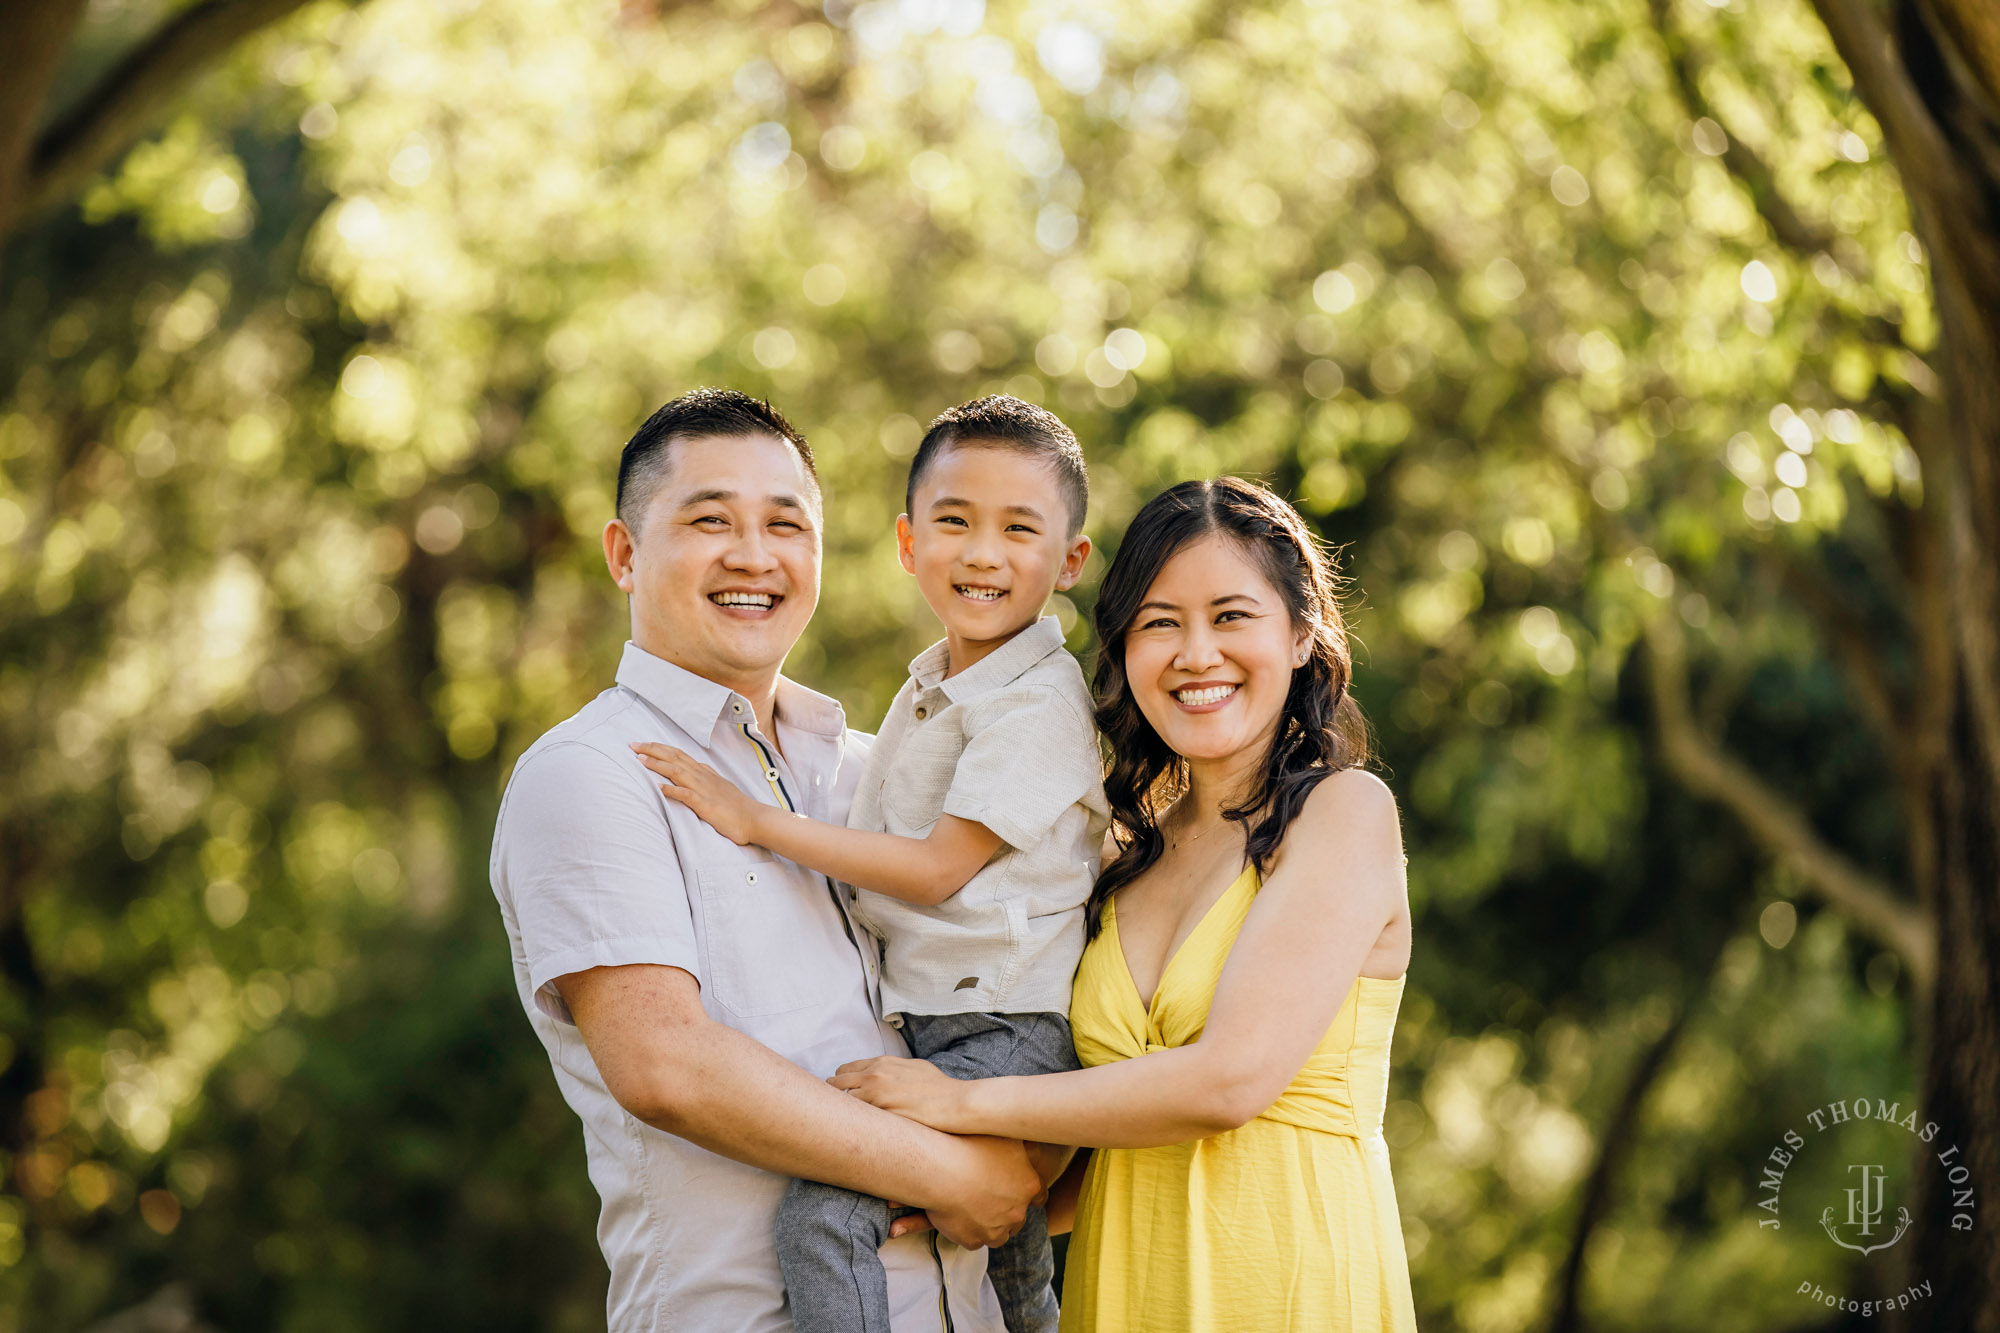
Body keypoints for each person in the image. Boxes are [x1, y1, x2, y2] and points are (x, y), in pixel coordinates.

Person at [487, 388, 1046, 1333]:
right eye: (711, 521)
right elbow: (667, 1063)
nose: (754, 555)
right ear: (624, 554)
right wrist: (956, 1172)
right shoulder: (587, 776)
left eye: (785, 525)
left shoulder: (883, 773)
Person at [830, 477, 1419, 1332]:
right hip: (1123, 1287)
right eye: (1160, 622)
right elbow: (1108, 1136)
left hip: (1288, 1279)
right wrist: (966, 1182)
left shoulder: (1344, 813)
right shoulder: (1117, 852)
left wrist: (957, 1104)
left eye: (1231, 615)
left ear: (1299, 635)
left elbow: (1225, 1083)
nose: (1196, 652)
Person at [630, 396, 1110, 1333]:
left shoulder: (1036, 705)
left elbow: (935, 869)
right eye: (955, 522)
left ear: (1072, 561)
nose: (982, 553)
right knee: (1010, 1262)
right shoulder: (936, 682)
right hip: (950, 1018)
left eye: (1021, 529)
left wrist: (755, 821)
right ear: (906, 542)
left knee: (826, 1217)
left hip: (999, 1025)